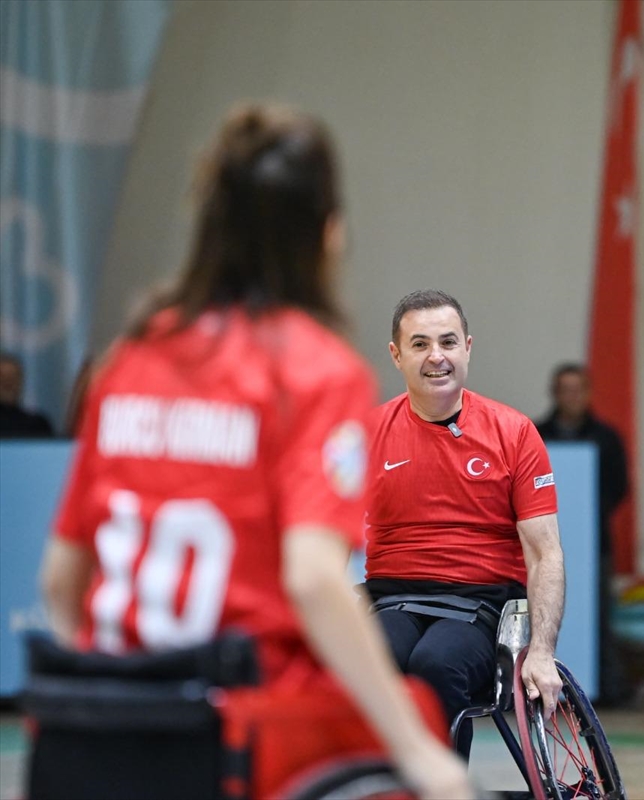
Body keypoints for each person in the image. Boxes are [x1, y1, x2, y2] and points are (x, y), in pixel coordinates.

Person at [36, 105, 472, 799]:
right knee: (415, 717)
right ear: (328, 233)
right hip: (237, 722)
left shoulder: (129, 359)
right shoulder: (315, 371)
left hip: (102, 721)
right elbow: (312, 579)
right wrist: (421, 754)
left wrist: (114, 689)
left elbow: (62, 581)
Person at [365, 288, 566, 758]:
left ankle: (441, 787)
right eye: (420, 344)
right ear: (396, 355)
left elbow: (544, 553)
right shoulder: (367, 434)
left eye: (448, 342)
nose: (436, 357)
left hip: (480, 604)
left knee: (436, 663)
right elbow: (327, 543)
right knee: (370, 659)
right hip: (393, 598)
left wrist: (540, 651)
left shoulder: (513, 432)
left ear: (468, 348)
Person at [536, 363, 630, 705]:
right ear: (555, 392)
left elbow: (620, 487)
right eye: (565, 389)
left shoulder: (606, 437)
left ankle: (602, 687)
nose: (572, 397)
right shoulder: (536, 433)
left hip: (594, 544)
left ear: (588, 393)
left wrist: (590, 509)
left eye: (578, 389)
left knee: (599, 614)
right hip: (543, 537)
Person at [0, 352, 55, 437]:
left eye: (12, 378)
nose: (8, 383)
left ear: (21, 382)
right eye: (2, 378)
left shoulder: (38, 425)